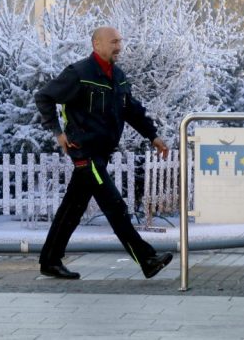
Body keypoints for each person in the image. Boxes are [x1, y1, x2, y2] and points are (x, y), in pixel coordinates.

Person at [34, 26, 173, 280]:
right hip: (84, 153)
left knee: (72, 208)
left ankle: (50, 260)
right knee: (115, 205)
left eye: (119, 41)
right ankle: (147, 259)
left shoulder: (118, 76)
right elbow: (44, 97)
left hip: (101, 153)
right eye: (113, 42)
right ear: (96, 44)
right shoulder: (79, 73)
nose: (118, 46)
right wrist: (58, 133)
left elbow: (131, 110)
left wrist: (153, 136)